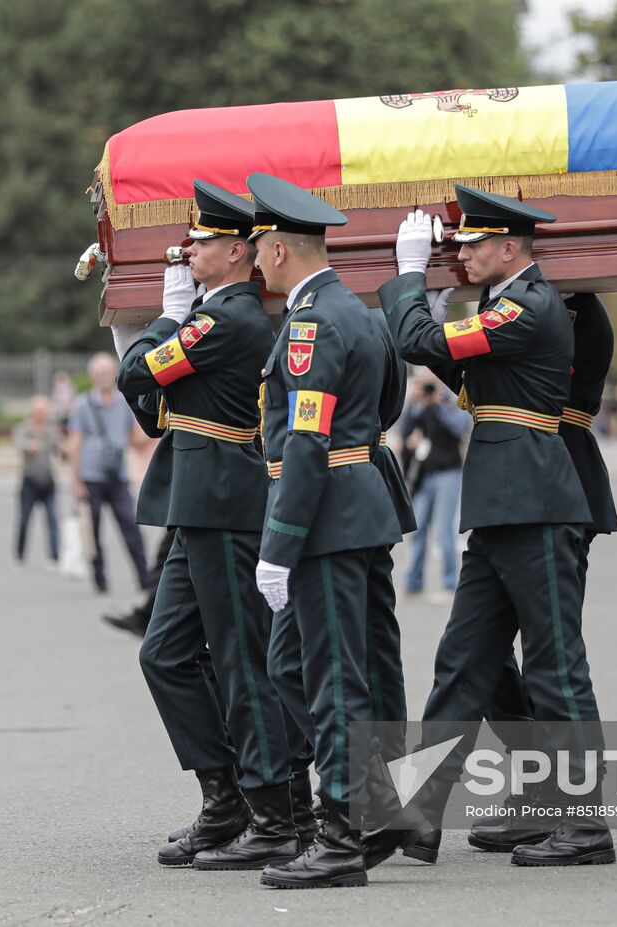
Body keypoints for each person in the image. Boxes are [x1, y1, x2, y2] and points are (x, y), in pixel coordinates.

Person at [366, 186, 609, 870]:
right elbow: (474, 380)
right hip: (504, 505)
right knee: (463, 661)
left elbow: (421, 340)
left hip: (535, 502)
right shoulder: (509, 307)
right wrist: (434, 318)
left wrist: (409, 275)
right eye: (457, 244)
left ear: (510, 247)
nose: (460, 252)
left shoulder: (530, 305)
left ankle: (584, 822)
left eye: (473, 244)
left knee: (557, 665)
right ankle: (419, 813)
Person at [114, 180, 308, 872]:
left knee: (240, 660)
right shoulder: (218, 315)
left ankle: (275, 811)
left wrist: (160, 322)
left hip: (226, 506)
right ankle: (224, 796)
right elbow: (152, 400)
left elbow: (140, 371)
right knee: (163, 654)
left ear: (235, 252)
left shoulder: (227, 319)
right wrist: (141, 340)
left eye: (199, 241)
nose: (187, 250)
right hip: (199, 504)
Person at [245, 173, 404, 889]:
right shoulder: (362, 312)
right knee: (311, 666)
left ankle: (340, 833)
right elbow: (389, 403)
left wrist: (278, 543)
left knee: (335, 678)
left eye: (256, 252)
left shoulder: (311, 323)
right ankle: (370, 809)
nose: (253, 265)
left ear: (278, 251)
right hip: (360, 503)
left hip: (325, 520)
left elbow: (304, 442)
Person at [465, 291, 617, 856]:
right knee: (481, 655)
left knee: (551, 653)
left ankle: (570, 801)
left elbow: (503, 370)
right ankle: (541, 783)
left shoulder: (572, 310)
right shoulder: (519, 300)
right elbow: (479, 376)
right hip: (509, 475)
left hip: (557, 471)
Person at [67, 354, 151, 593]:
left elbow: (136, 438)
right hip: (91, 475)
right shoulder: (82, 404)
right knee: (93, 530)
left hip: (117, 474)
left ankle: (144, 577)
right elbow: (76, 443)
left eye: (108, 371)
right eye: (100, 372)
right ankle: (100, 579)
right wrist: (76, 481)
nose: (104, 376)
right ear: (93, 376)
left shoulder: (123, 403)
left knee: (130, 526)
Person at [398, 375, 467, 601]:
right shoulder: (419, 407)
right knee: (417, 529)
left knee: (444, 530)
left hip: (448, 473)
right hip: (424, 476)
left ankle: (449, 584)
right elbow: (404, 430)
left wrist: (438, 403)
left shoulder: (449, 403)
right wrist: (413, 403)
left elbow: (460, 428)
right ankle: (413, 583)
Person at [13, 395, 63, 567]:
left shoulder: (51, 431)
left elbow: (59, 450)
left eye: (44, 411)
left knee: (52, 519)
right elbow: (20, 444)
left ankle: (54, 556)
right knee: (24, 519)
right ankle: (19, 555)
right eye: (38, 411)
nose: (41, 414)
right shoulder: (24, 429)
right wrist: (29, 445)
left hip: (48, 479)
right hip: (30, 480)